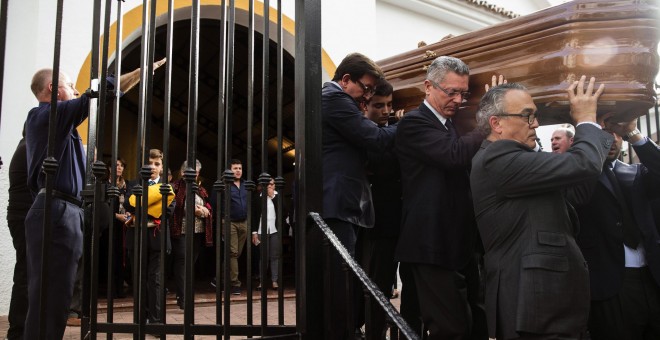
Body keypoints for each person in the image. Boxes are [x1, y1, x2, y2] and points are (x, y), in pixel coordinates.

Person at [24, 61, 164, 339]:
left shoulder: (62, 127)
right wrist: (139, 72)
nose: (76, 91)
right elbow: (97, 96)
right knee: (49, 296)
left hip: (67, 211)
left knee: (60, 294)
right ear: (53, 89)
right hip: (57, 210)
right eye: (70, 86)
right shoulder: (46, 115)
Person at [470, 76, 614, 340]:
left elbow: (578, 190)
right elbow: (583, 163)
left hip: (547, 303)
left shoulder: (525, 162)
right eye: (527, 116)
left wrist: (595, 130)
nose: (535, 123)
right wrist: (585, 121)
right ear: (496, 123)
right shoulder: (496, 158)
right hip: (532, 304)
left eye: (535, 115)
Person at [394, 56, 487, 340]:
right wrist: (490, 119)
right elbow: (453, 155)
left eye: (464, 93)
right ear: (428, 87)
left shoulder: (454, 125)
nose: (459, 100)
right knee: (451, 329)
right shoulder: (414, 123)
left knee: (475, 323)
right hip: (431, 244)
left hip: (460, 243)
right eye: (452, 92)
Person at [312, 52, 396, 339]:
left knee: (342, 279)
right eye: (367, 88)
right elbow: (373, 138)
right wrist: (415, 122)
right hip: (337, 202)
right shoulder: (335, 98)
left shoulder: (337, 99)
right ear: (346, 80)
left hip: (343, 204)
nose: (368, 95)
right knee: (340, 281)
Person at [573, 116, 660, 339]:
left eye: (614, 132)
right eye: (602, 132)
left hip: (651, 278)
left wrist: (633, 131)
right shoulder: (577, 176)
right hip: (610, 285)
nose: (610, 138)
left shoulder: (637, 172)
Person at [356, 78, 403, 339]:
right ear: (365, 106)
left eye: (390, 105)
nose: (386, 111)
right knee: (369, 284)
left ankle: (376, 329)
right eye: (379, 106)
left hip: (391, 220)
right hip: (368, 222)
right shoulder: (362, 133)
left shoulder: (393, 128)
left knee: (381, 284)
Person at [126, 148, 175, 324]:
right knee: (139, 278)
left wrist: (142, 207)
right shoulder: (133, 184)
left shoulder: (168, 187)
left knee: (155, 279)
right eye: (149, 163)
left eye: (157, 164)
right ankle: (141, 319)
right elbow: (128, 205)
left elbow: (167, 210)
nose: (153, 167)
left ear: (162, 168)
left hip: (157, 238)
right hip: (136, 237)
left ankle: (155, 321)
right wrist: (152, 207)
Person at [171, 159, 213, 309]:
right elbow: (174, 207)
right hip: (180, 230)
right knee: (182, 261)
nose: (193, 175)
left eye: (196, 172)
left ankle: (184, 293)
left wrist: (204, 211)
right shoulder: (175, 187)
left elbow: (208, 206)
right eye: (190, 172)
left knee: (190, 263)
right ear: (182, 172)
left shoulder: (201, 189)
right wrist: (192, 210)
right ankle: (183, 297)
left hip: (198, 231)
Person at [6, 130, 31, 339]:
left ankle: (21, 330)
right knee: (25, 275)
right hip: (23, 217)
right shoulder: (28, 148)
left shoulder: (24, 146)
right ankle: (17, 332)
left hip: (20, 216)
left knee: (26, 273)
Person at [251, 177, 287, 290]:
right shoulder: (258, 198)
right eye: (267, 184)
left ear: (275, 185)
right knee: (263, 257)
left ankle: (274, 281)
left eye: (271, 184)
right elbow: (254, 216)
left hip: (275, 231)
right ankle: (262, 282)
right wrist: (254, 232)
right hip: (261, 230)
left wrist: (273, 197)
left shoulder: (278, 197)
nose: (269, 186)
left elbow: (284, 212)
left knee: (275, 256)